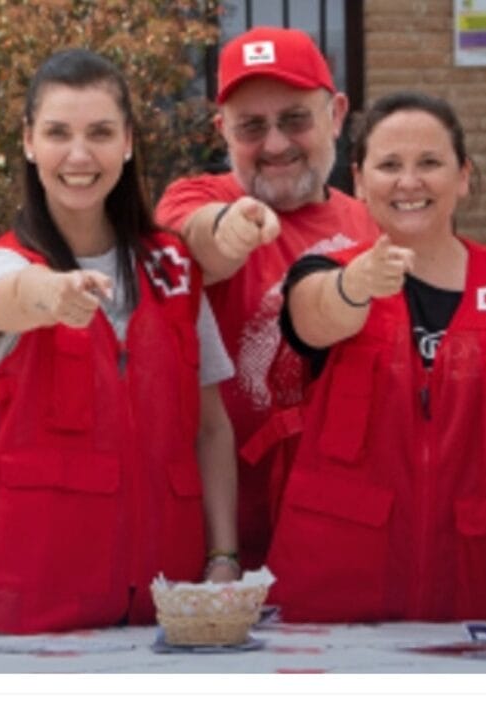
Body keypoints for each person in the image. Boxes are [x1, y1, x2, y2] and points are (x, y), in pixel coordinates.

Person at [0, 49, 239, 633]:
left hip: (165, 608)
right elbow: (12, 296)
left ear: (127, 142)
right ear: (28, 142)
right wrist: (53, 293)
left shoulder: (173, 265)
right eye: (57, 133)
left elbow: (211, 427)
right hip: (31, 616)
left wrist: (223, 558)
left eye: (100, 133)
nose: (79, 155)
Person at [264, 92, 486, 623]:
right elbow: (314, 318)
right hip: (339, 597)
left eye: (430, 163)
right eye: (390, 166)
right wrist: (354, 285)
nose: (409, 182)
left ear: (463, 176)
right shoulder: (325, 274)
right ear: (360, 182)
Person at [155, 27, 379, 568]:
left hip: (354, 534)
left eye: (295, 119)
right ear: (222, 132)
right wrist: (229, 231)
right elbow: (193, 242)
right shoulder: (195, 196)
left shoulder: (375, 224)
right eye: (252, 127)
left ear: (336, 113)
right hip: (229, 545)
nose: (276, 144)